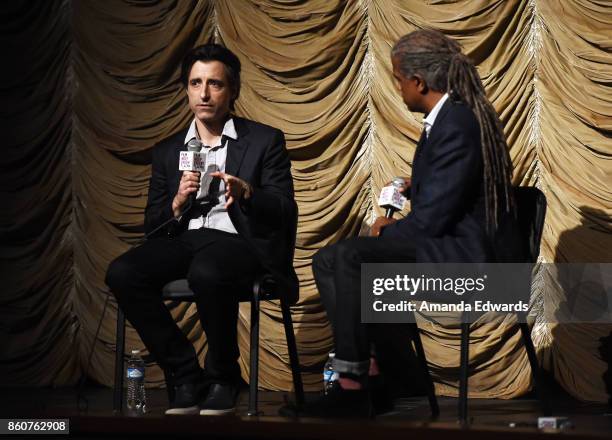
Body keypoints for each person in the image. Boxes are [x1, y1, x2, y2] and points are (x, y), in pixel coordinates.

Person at [291, 29, 523, 418]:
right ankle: (381, 377)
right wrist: (417, 185)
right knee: (330, 260)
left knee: (349, 256)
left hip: (466, 257)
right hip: (451, 241)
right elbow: (456, 187)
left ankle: (356, 383)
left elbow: (431, 222)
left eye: (399, 79)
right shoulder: (451, 118)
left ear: (417, 82)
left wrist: (387, 230)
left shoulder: (456, 125)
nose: (398, 87)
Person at [105, 44, 298, 416]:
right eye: (196, 83)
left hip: (238, 242)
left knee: (207, 271)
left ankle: (224, 377)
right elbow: (152, 224)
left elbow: (284, 208)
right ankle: (184, 372)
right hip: (185, 239)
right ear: (186, 89)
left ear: (233, 90)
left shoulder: (263, 140)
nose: (204, 94)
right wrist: (176, 204)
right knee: (123, 272)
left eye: (215, 84)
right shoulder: (168, 150)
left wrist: (248, 193)